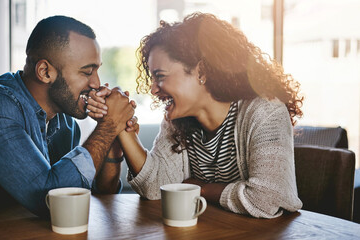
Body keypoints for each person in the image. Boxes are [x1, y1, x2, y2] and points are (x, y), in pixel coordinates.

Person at [116, 12, 304, 218]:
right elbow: (156, 189)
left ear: (202, 71)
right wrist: (122, 127)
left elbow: (266, 200)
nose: (152, 89)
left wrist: (201, 188)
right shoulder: (177, 121)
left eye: (160, 76)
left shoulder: (265, 112)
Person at [0, 16, 136, 216]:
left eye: (97, 70)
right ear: (44, 72)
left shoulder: (65, 123)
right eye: (87, 72)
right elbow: (50, 201)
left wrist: (113, 136)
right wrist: (108, 127)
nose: (97, 83)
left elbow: (94, 196)